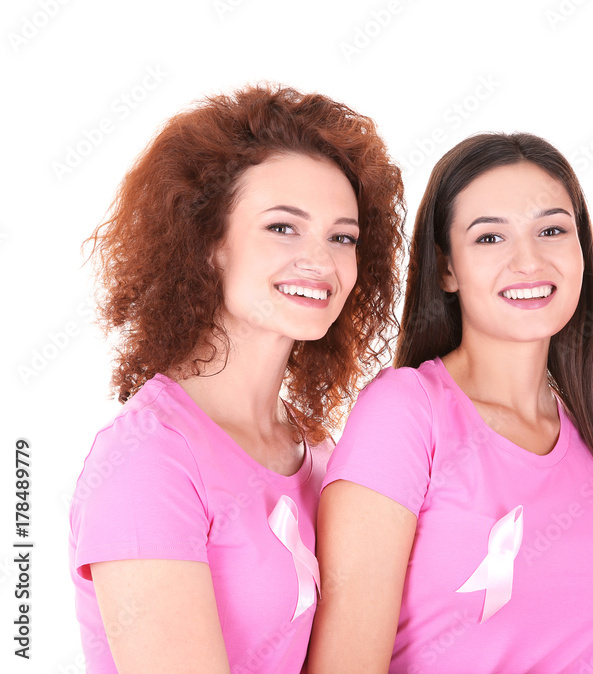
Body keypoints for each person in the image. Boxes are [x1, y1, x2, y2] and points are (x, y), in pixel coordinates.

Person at [69, 84, 405, 673]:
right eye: (282, 227)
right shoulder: (147, 460)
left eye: (342, 236)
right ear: (207, 242)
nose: (321, 261)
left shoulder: (321, 453)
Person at [307, 133, 593, 673]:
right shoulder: (405, 412)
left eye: (552, 230)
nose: (528, 260)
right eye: (490, 238)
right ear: (447, 268)